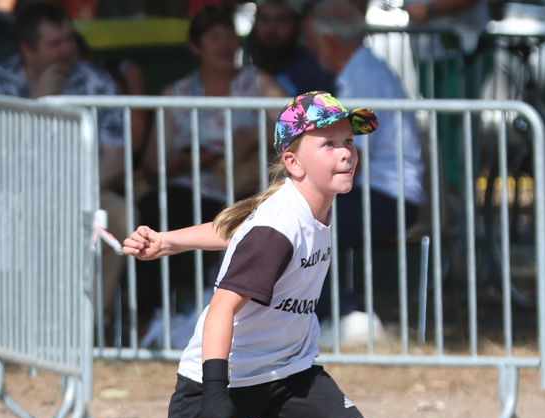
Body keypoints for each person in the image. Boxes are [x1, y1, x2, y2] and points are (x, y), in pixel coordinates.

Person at [20, 91, 517, 418]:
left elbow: (230, 227)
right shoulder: (281, 225)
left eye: (349, 143)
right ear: (293, 161)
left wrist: (167, 241)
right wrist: (215, 388)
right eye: (328, 144)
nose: (346, 153)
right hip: (225, 376)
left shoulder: (300, 205)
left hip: (290, 372)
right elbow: (221, 310)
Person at [0, 1, 133, 313]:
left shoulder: (96, 81)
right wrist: (34, 102)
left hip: (82, 194)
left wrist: (75, 191)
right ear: (27, 49)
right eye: (55, 44)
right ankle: (18, 327)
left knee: (120, 214)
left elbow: (115, 156)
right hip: (11, 197)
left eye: (69, 39)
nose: (68, 49)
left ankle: (85, 330)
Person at [136, 5, 288, 316]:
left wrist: (258, 133)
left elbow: (296, 124)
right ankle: (152, 316)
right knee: (161, 209)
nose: (225, 44)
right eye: (215, 37)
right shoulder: (174, 94)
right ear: (196, 46)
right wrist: (189, 161)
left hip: (248, 190)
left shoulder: (258, 82)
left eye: (231, 36)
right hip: (190, 191)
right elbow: (152, 165)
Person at [305, 0, 426, 344]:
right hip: (384, 194)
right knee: (306, 218)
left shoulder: (365, 80)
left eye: (313, 43)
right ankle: (336, 314)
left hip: (387, 199)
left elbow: (346, 158)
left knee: (303, 221)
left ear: (328, 42)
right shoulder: (364, 73)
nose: (311, 51)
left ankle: (346, 314)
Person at [248, 0, 337, 97]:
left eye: (281, 19)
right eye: (264, 19)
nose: (272, 28)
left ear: (296, 25)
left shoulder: (316, 66)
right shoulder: (247, 68)